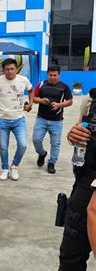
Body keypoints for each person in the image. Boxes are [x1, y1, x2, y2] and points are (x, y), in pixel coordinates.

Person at [59, 97, 95, 270]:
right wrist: (73, 135)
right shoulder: (90, 101)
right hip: (86, 186)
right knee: (71, 258)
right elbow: (81, 132)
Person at [0, 58, 33, 181]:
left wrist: (30, 103)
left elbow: (31, 90)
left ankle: (14, 166)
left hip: (19, 119)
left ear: (16, 69)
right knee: (3, 147)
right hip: (2, 119)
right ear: (3, 70)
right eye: (7, 69)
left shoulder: (23, 80)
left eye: (12, 69)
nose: (10, 72)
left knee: (22, 145)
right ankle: (5, 169)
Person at [32, 65, 73, 174]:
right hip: (41, 118)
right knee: (36, 139)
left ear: (59, 75)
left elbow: (70, 101)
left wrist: (59, 105)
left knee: (55, 143)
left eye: (55, 75)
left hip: (57, 121)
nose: (53, 77)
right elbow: (33, 98)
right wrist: (41, 101)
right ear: (47, 74)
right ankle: (41, 153)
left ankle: (51, 163)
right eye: (50, 75)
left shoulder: (64, 87)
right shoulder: (41, 85)